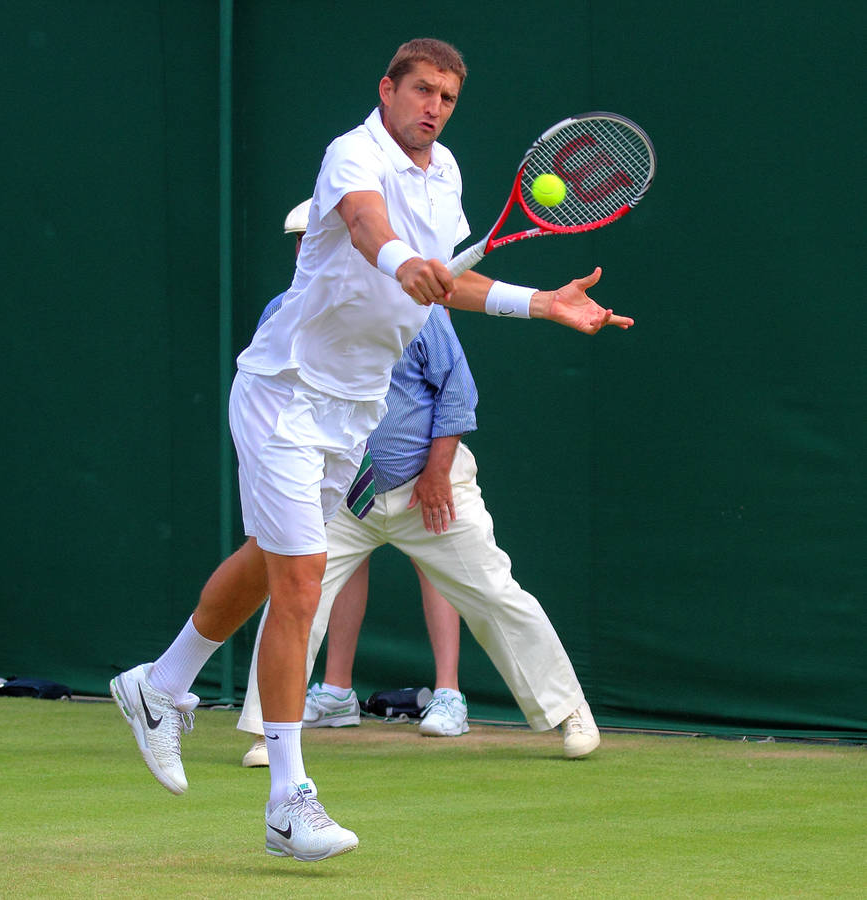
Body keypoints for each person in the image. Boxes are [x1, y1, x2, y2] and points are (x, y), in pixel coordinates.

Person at [109, 37, 633, 864]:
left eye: (447, 98)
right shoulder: (349, 153)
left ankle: (159, 684)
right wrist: (403, 262)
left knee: (267, 559)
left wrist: (541, 304)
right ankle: (289, 803)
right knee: (302, 579)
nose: (432, 107)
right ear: (387, 89)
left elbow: (449, 282)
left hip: (353, 406)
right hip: (286, 389)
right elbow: (365, 227)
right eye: (420, 90)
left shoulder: (449, 173)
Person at [238, 200, 474, 769]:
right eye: (298, 242)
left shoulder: (414, 306)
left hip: (422, 478)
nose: (305, 250)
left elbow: (457, 392)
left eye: (312, 239)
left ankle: (453, 695)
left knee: (464, 575)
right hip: (335, 475)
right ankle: (305, 710)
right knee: (291, 581)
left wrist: (437, 472)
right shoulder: (283, 310)